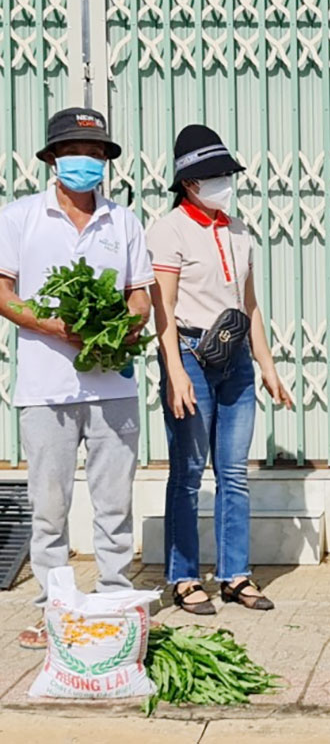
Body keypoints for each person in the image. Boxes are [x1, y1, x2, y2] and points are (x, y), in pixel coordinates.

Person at [0, 108, 154, 649]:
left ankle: (114, 601)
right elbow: (3, 292)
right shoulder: (20, 217)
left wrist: (127, 326)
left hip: (112, 385)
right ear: (52, 159)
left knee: (114, 505)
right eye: (74, 153)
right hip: (45, 386)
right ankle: (53, 610)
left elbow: (140, 293)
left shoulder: (124, 221)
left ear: (105, 161)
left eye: (94, 154)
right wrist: (55, 327)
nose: (84, 163)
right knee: (50, 507)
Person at [147, 125, 293, 615]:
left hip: (233, 361)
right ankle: (185, 577)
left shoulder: (238, 231)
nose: (223, 184)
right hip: (188, 352)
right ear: (189, 183)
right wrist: (175, 371)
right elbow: (162, 308)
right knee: (188, 471)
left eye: (227, 175)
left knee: (234, 472)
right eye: (214, 177)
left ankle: (235, 575)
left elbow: (248, 305)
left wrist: (266, 363)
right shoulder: (167, 231)